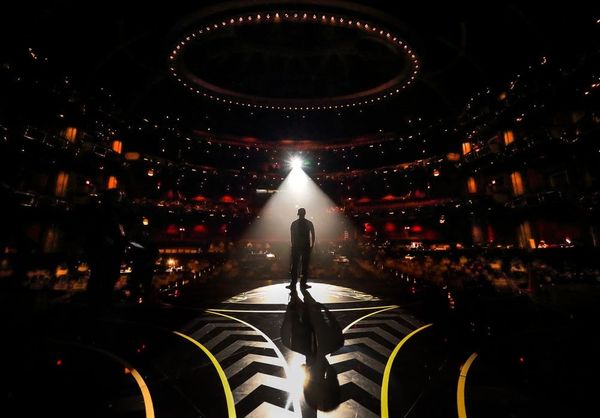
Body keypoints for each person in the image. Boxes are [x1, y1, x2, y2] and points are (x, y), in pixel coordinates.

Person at [288, 208, 315, 289]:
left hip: (296, 246)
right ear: (304, 214)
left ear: (298, 214)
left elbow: (292, 237)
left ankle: (293, 283)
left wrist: (293, 245)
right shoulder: (309, 223)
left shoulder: (294, 223)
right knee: (304, 265)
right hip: (305, 246)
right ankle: (303, 283)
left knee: (295, 265)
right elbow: (313, 235)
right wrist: (312, 246)